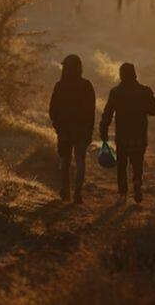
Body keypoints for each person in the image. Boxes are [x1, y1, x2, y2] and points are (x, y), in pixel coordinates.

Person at [99, 62, 155, 203]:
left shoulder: (116, 92)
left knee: (122, 164)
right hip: (139, 134)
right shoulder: (144, 91)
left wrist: (103, 129)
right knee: (137, 161)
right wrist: (145, 105)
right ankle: (137, 181)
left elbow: (107, 113)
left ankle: (122, 194)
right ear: (134, 74)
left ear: (121, 75)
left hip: (122, 135)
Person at [48, 54, 96, 203]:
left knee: (65, 161)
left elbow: (52, 109)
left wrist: (57, 125)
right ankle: (78, 193)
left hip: (64, 129)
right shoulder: (86, 85)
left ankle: (65, 190)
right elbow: (91, 110)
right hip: (81, 129)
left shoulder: (60, 85)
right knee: (80, 160)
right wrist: (90, 129)